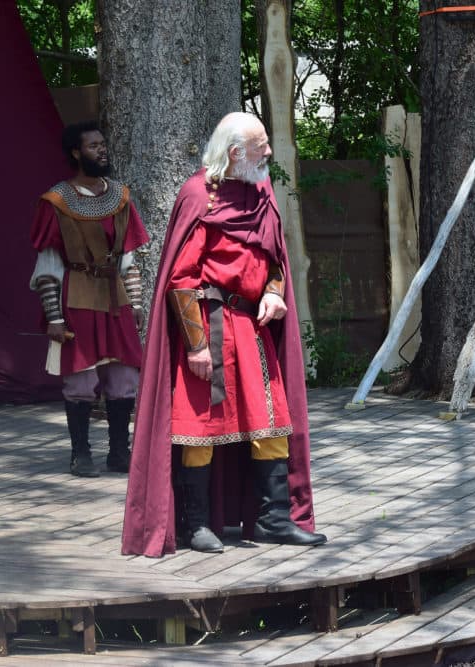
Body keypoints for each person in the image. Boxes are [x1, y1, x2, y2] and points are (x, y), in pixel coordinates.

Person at [121, 112, 326, 556]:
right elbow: (181, 278)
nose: (268, 153)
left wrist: (274, 291)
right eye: (261, 146)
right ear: (235, 153)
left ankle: (272, 521)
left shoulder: (261, 190)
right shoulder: (200, 195)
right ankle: (195, 525)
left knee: (270, 424)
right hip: (210, 326)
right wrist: (195, 346)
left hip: (253, 326)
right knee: (201, 430)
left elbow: (274, 257)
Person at [30, 120, 149, 477]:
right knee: (80, 379)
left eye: (103, 144)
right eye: (94, 145)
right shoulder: (56, 201)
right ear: (76, 152)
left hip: (116, 296)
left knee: (124, 377)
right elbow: (48, 264)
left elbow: (128, 258)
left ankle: (118, 452)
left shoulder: (120, 197)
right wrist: (53, 317)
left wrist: (138, 303)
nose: (102, 149)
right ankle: (80, 454)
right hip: (77, 293)